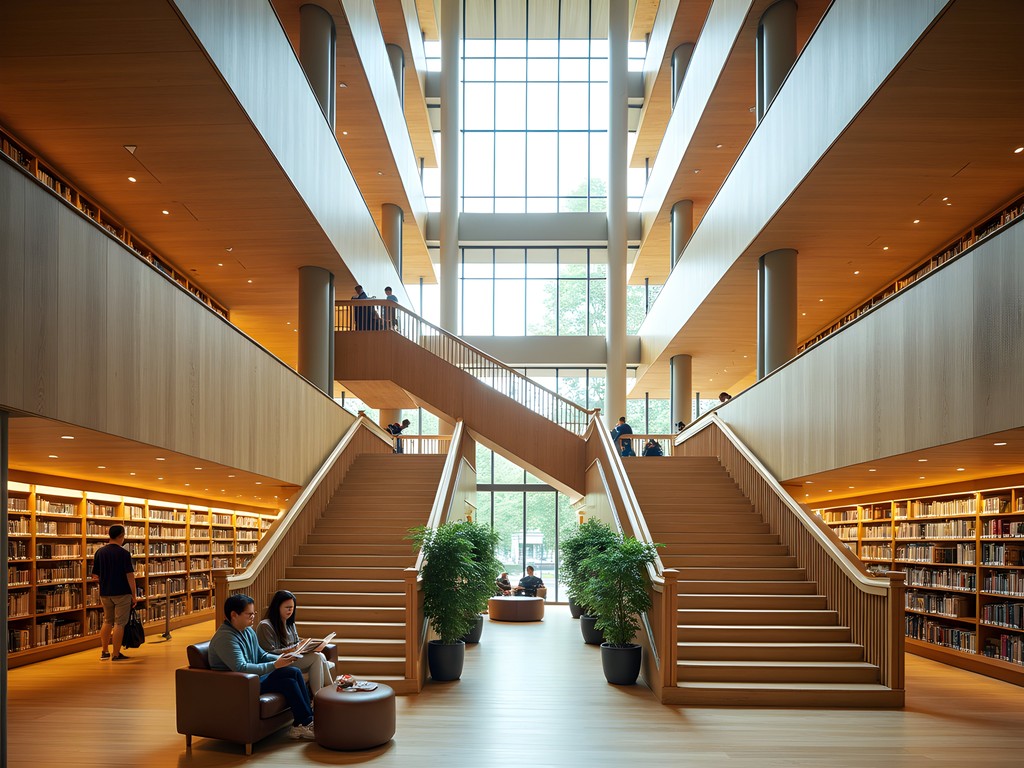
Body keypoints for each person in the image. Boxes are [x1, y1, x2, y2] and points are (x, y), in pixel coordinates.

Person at [208, 594, 316, 740]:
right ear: (234, 615)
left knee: (294, 672)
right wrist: (274, 665)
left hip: (253, 678)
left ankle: (307, 720)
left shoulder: (247, 631)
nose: (253, 617)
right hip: (238, 684)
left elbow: (261, 655)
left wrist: (281, 659)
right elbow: (241, 667)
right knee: (288, 681)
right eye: (249, 614)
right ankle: (302, 724)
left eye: (254, 613)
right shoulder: (225, 638)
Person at [256, 590, 334, 695]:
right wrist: (291, 649)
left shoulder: (290, 623)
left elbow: (296, 642)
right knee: (317, 657)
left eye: (292, 607)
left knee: (321, 655)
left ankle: (330, 692)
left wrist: (308, 645)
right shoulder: (265, 625)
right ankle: (318, 696)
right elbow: (267, 653)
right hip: (279, 662)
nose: (290, 610)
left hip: (293, 658)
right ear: (277, 606)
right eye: (287, 607)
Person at [91, 524, 139, 661]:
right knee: (119, 623)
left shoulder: (100, 552)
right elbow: (130, 576)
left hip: (105, 592)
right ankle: (116, 654)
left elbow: (95, 575)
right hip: (122, 592)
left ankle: (104, 651)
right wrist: (134, 596)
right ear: (121, 536)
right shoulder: (124, 553)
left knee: (107, 621)